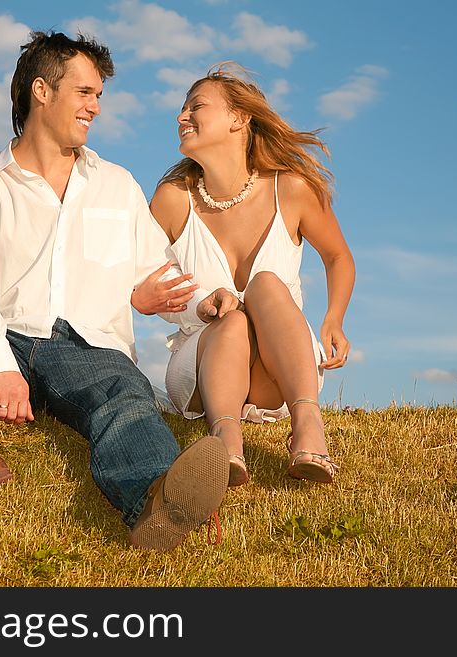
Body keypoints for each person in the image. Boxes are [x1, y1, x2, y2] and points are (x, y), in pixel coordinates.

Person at [0, 31, 229, 552]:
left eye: (99, 95)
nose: (96, 107)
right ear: (41, 91)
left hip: (86, 347)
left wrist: (198, 303)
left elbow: (152, 277)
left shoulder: (116, 184)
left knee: (125, 397)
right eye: (85, 92)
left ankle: (156, 499)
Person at [148, 63, 355, 488]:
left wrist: (333, 318)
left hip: (276, 372)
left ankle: (308, 425)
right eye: (182, 109)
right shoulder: (172, 199)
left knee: (266, 284)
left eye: (195, 106)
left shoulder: (291, 189)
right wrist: (202, 302)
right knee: (233, 318)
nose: (181, 116)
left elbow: (337, 256)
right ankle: (225, 441)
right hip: (203, 369)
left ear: (239, 118)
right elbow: (144, 280)